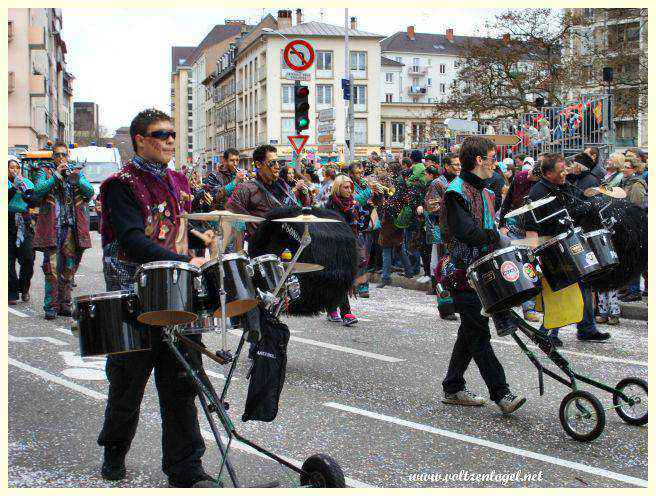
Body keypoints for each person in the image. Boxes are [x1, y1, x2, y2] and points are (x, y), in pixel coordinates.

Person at [96, 109, 217, 488]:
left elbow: (185, 230)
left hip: (178, 296)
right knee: (127, 387)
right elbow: (132, 240)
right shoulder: (120, 184)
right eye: (159, 134)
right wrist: (184, 258)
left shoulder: (181, 181)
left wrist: (206, 242)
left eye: (172, 134)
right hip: (133, 296)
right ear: (140, 140)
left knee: (182, 385)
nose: (169, 140)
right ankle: (114, 453)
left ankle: (186, 470)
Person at [440, 136, 526, 414]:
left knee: (470, 330)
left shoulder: (487, 192)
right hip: (463, 273)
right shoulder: (456, 192)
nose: (495, 163)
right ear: (479, 160)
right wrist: (496, 238)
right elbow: (466, 232)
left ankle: (452, 386)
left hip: (484, 271)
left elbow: (489, 227)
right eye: (492, 158)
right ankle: (501, 393)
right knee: (478, 334)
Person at [524, 153, 610, 346]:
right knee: (560, 291)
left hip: (570, 242)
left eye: (565, 169)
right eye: (560, 171)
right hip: (552, 247)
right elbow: (531, 224)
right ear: (547, 173)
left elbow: (578, 202)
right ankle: (547, 332)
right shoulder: (538, 193)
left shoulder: (562, 186)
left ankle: (586, 328)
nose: (564, 174)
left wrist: (593, 198)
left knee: (584, 284)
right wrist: (533, 251)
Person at [32, 141, 94, 320]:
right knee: (51, 269)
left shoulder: (75, 172)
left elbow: (89, 192)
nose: (61, 158)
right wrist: (56, 177)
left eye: (64, 154)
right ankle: (50, 306)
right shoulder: (44, 171)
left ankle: (64, 304)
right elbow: (38, 191)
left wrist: (76, 181)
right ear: (53, 156)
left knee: (69, 267)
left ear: (68, 156)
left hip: (70, 228)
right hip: (52, 227)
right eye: (58, 154)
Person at [324, 174, 366, 326]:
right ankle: (346, 312)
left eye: (350, 187)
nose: (349, 190)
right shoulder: (331, 205)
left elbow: (361, 224)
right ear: (338, 188)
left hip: (350, 245)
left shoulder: (353, 203)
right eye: (345, 187)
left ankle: (331, 307)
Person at [8, 156, 37, 305]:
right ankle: (11, 293)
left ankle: (24, 287)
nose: (14, 170)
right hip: (7, 219)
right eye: (11, 167)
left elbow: (33, 201)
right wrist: (13, 186)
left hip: (23, 221)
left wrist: (24, 190)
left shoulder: (26, 183)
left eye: (17, 167)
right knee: (8, 261)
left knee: (28, 258)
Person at [618, 157, 647, 302]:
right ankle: (629, 288)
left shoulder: (636, 185)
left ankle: (634, 291)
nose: (624, 169)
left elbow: (636, 205)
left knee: (633, 258)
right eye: (623, 166)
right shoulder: (625, 182)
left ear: (634, 169)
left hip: (634, 225)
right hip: (626, 224)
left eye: (627, 167)